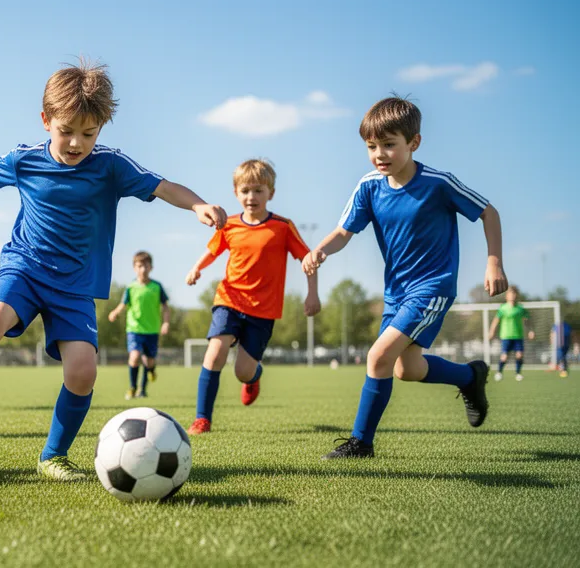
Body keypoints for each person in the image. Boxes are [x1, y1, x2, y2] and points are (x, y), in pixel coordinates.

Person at [0, 59, 227, 481]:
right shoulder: (25, 160)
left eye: (88, 133)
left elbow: (163, 185)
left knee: (83, 372)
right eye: (67, 131)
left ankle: (52, 457)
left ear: (101, 128)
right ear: (46, 121)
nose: (76, 143)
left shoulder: (112, 166)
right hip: (24, 269)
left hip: (76, 286)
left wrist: (198, 205)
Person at [304, 96, 508, 459]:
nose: (379, 154)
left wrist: (494, 262)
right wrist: (320, 250)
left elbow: (488, 212)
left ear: (413, 143)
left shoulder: (437, 183)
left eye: (389, 144)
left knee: (378, 357)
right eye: (371, 146)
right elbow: (343, 231)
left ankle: (360, 443)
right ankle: (470, 377)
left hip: (433, 286)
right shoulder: (369, 186)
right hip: (396, 293)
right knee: (406, 369)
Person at [184, 159, 320, 435]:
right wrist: (196, 268)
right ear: (236, 193)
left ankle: (254, 377)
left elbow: (307, 259)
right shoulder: (229, 225)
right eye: (245, 190)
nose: (251, 197)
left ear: (271, 193)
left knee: (243, 371)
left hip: (263, 310)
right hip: (229, 300)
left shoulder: (283, 227)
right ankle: (202, 419)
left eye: (258, 190)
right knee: (215, 352)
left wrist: (312, 294)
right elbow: (213, 250)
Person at [107, 251, 169, 400]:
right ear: (134, 268)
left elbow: (165, 307)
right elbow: (123, 304)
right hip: (134, 329)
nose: (143, 269)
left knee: (149, 361)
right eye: (140, 266)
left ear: (151, 267)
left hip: (152, 330)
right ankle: (133, 388)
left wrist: (166, 323)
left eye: (146, 266)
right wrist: (115, 312)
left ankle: (144, 387)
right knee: (134, 357)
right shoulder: (131, 287)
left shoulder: (157, 287)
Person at [487, 286, 533, 382]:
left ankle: (518, 373)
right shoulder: (503, 308)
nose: (513, 296)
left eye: (514, 294)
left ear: (517, 295)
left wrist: (530, 331)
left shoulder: (520, 308)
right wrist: (491, 331)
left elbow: (527, 320)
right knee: (504, 357)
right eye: (510, 294)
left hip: (518, 336)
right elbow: (496, 321)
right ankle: (499, 372)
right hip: (506, 336)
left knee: (519, 355)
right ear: (506, 296)